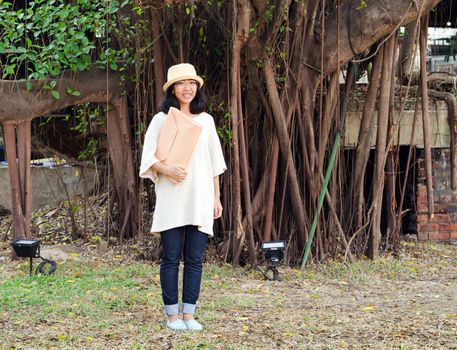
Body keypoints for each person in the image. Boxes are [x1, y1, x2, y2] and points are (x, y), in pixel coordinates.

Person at [139, 63, 227, 331]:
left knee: (195, 259)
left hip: (200, 198)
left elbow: (215, 163)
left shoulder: (207, 121)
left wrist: (216, 197)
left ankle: (189, 314)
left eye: (191, 83)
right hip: (172, 198)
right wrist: (168, 169)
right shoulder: (161, 120)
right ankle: (172, 316)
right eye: (181, 83)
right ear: (172, 90)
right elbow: (148, 158)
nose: (187, 88)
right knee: (170, 258)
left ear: (197, 87)